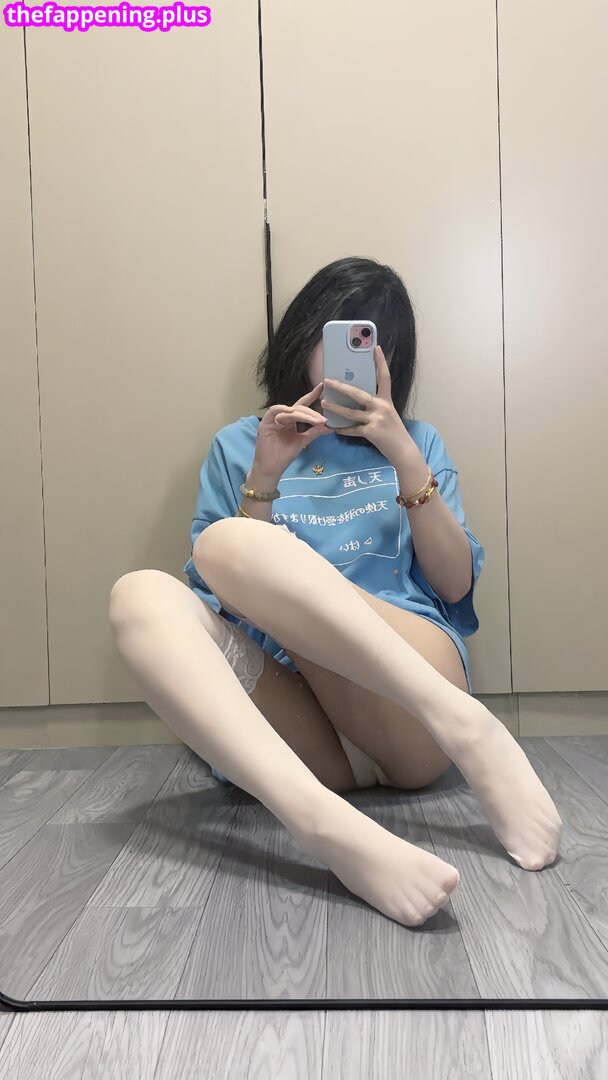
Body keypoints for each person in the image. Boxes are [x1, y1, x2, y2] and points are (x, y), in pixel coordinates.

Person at [109, 256, 562, 928]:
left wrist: (403, 454)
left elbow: (454, 584)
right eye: (342, 336)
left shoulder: (418, 443)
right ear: (303, 339)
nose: (359, 358)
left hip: (412, 710)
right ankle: (327, 828)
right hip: (302, 733)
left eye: (375, 343)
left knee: (226, 544)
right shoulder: (242, 445)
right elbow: (220, 604)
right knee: (140, 595)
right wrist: (265, 477)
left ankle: (473, 730)